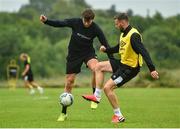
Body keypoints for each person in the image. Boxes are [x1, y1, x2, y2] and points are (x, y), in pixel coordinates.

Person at [82, 13, 159, 123]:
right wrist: (106, 50)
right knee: (98, 66)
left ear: (122, 22)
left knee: (108, 88)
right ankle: (96, 96)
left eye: (117, 24)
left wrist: (152, 69)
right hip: (122, 63)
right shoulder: (123, 34)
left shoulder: (134, 35)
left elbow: (144, 52)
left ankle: (119, 116)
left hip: (130, 69)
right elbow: (118, 48)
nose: (116, 26)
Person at [40, 8, 112, 121]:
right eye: (85, 20)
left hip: (88, 53)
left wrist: (111, 58)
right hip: (73, 55)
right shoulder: (75, 22)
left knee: (96, 68)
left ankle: (95, 96)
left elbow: (106, 44)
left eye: (90, 21)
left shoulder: (96, 28)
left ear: (93, 19)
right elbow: (60, 23)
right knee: (69, 82)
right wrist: (46, 21)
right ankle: (63, 113)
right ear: (82, 18)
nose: (87, 23)